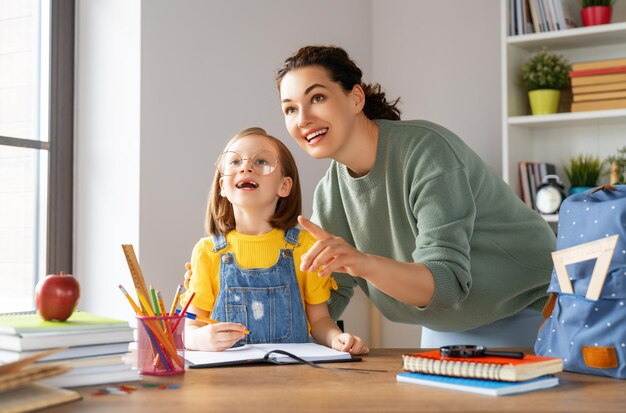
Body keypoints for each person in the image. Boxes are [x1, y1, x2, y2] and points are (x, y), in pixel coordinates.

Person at [273, 45, 556, 348]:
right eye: (290, 108)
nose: (302, 119)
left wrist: (361, 263)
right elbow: (327, 295)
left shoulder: (427, 152)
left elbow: (446, 283)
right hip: (446, 324)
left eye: (317, 98)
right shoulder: (330, 195)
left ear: (355, 98)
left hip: (530, 311)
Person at [182, 126, 368, 355]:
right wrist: (199, 339)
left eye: (261, 161)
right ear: (222, 186)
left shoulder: (306, 246)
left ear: (284, 186)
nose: (246, 167)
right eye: (235, 162)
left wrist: (338, 339)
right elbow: (190, 326)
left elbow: (320, 321)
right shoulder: (206, 251)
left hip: (292, 380)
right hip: (226, 382)